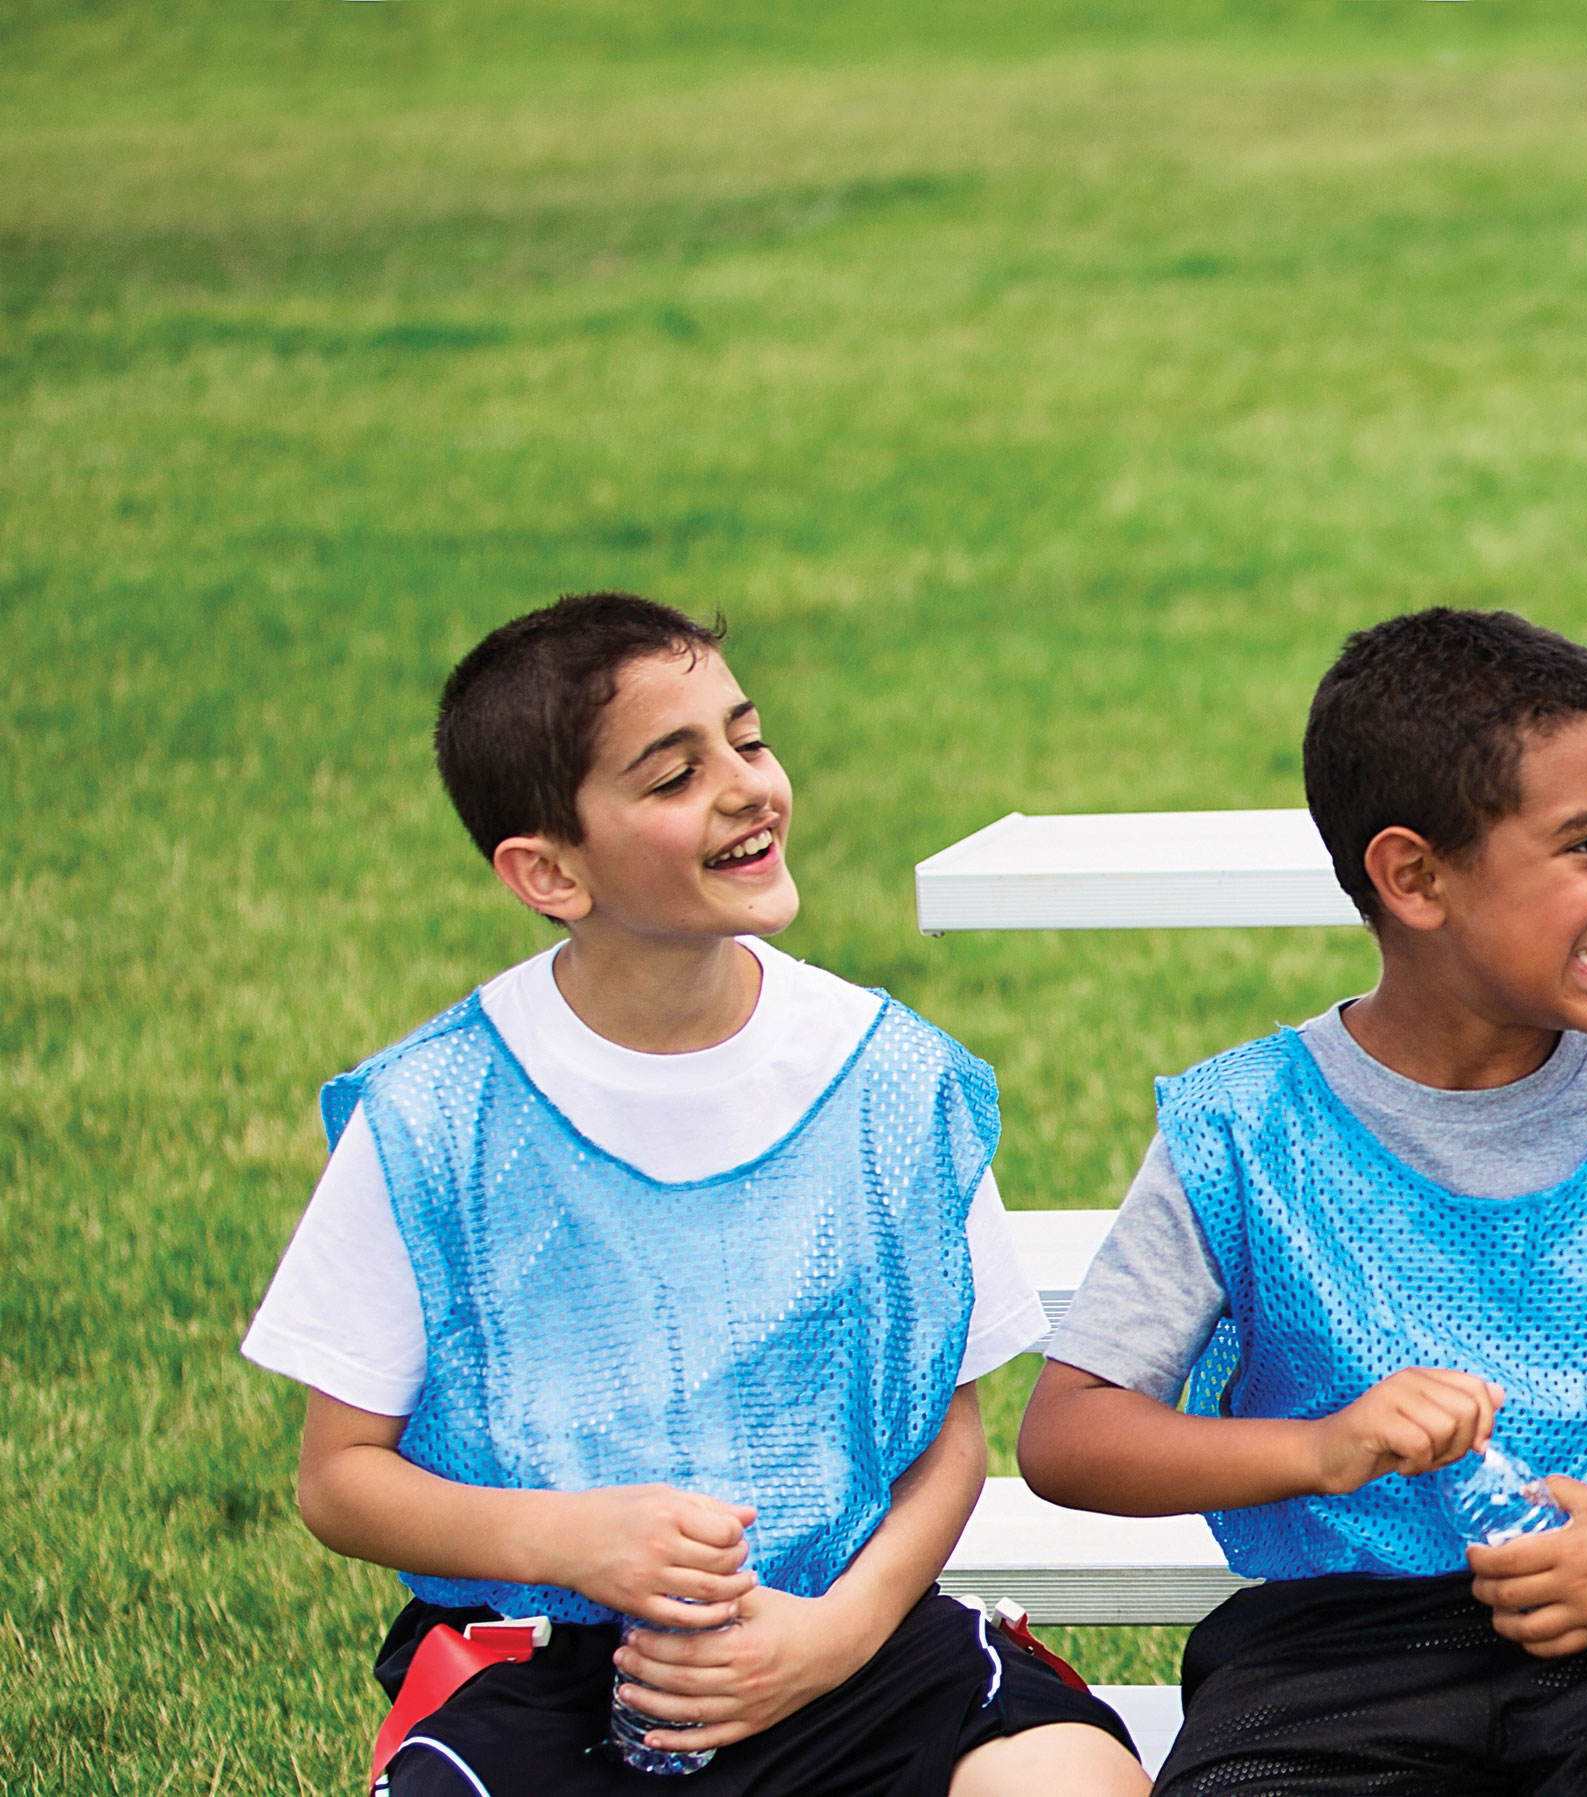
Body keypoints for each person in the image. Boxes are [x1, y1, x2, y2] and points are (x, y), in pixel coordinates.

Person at [242, 593, 1145, 1796]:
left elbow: (950, 1444)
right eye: (673, 776)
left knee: (1068, 1780)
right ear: (549, 871)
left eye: (750, 740)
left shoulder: (888, 1078)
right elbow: (338, 1476)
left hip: (852, 1640)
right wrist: (569, 1541)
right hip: (543, 1674)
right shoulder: (435, 1116)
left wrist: (833, 1638)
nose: (745, 786)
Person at [1015, 607, 1587, 1794]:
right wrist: (1321, 1449)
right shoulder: (1248, 1133)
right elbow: (1068, 1435)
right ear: (1413, 876)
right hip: (1329, 1654)